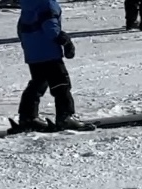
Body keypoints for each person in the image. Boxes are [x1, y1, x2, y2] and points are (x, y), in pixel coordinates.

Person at [15, 0, 94, 131]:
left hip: (33, 53)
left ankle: (28, 117)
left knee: (38, 83)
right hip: (48, 52)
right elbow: (50, 25)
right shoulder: (46, 3)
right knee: (61, 84)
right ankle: (65, 117)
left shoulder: (28, 4)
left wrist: (28, 46)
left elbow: (20, 28)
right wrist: (65, 41)